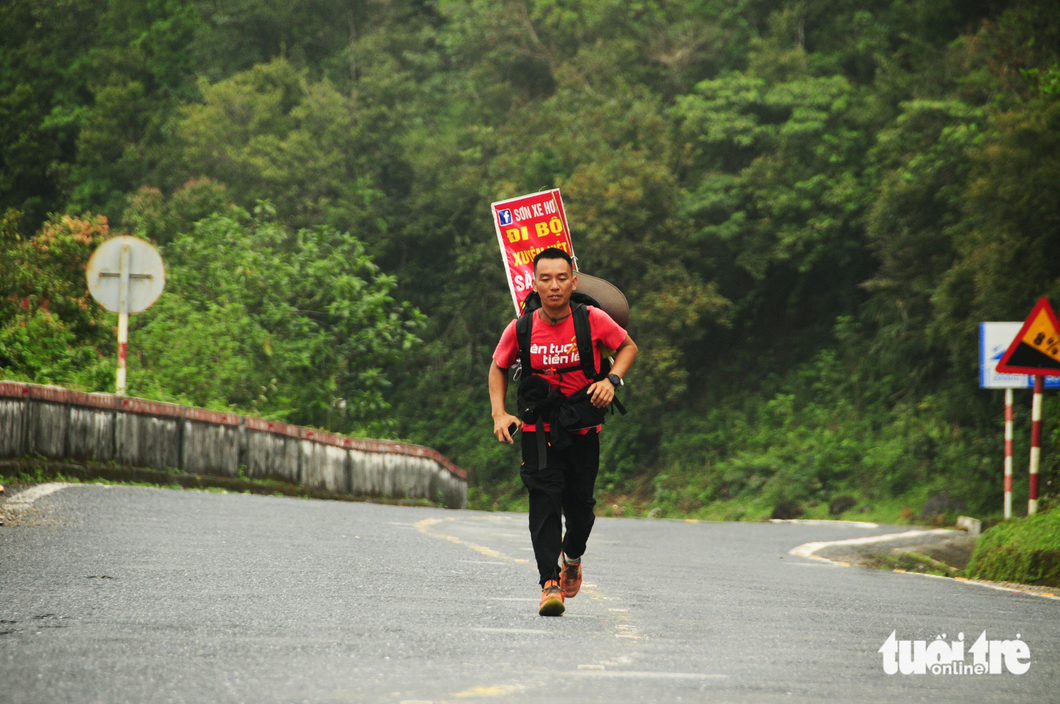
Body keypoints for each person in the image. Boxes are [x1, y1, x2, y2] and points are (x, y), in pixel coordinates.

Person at [489, 247, 638, 616]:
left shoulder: (592, 319)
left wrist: (612, 379)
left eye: (560, 278)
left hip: (582, 428)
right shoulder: (521, 327)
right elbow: (498, 367)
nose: (553, 286)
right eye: (545, 279)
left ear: (573, 281)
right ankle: (548, 583)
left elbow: (627, 347)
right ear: (534, 284)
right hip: (537, 428)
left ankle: (572, 557)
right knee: (544, 504)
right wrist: (499, 414)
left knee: (581, 509)